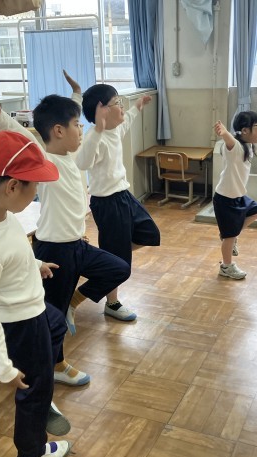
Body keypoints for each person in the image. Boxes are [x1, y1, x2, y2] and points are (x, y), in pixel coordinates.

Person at [0, 71, 131, 388]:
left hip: (77, 244)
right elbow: (24, 137)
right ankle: (57, 365)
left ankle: (74, 303)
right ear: (58, 131)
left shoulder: (72, 154)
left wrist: (77, 94)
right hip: (55, 250)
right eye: (77, 125)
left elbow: (66, 115)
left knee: (119, 268)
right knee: (52, 317)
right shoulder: (43, 158)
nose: (81, 129)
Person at [0, 130, 72, 457]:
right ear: (12, 186)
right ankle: (31, 452)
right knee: (33, 388)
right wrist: (3, 367)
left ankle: (43, 387)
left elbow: (12, 246)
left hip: (34, 307)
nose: (37, 190)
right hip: (21, 322)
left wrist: (34, 264)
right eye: (34, 184)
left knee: (58, 325)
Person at [75, 84, 161, 320]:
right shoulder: (94, 137)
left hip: (123, 195)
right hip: (106, 202)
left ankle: (107, 256)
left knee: (150, 233)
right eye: (117, 103)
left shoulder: (115, 129)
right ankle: (110, 303)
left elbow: (127, 120)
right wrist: (98, 129)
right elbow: (82, 163)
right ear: (102, 110)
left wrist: (137, 106)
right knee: (120, 261)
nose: (122, 107)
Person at [213, 112, 257, 280]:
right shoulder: (236, 148)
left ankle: (232, 235)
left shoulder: (247, 146)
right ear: (245, 130)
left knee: (256, 211)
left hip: (238, 196)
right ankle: (226, 267)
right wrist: (224, 132)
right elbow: (230, 142)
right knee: (228, 237)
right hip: (225, 199)